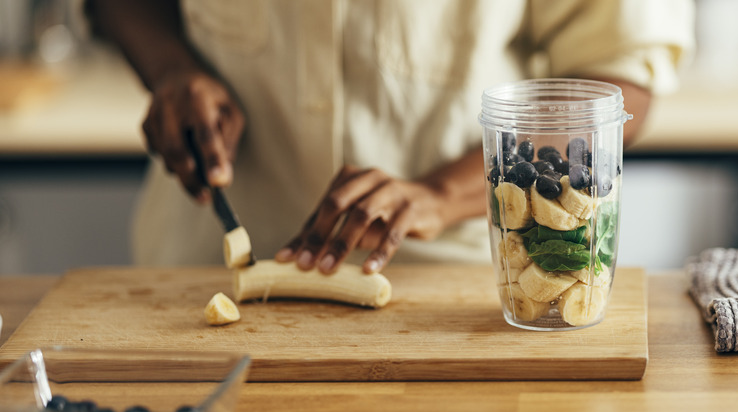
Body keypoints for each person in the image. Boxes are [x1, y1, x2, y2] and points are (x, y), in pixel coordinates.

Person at [85, 0, 695, 274]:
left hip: (450, 281)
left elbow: (620, 76)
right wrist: (172, 71)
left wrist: (439, 193)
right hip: (199, 269)